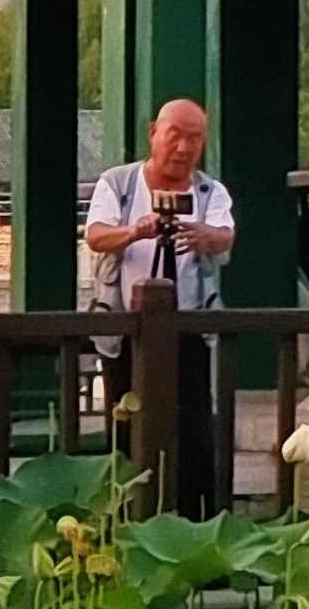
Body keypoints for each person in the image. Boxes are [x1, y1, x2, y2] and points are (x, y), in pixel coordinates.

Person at [85, 96, 237, 513]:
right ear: (154, 133)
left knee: (194, 427)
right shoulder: (118, 184)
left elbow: (227, 236)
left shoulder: (209, 191)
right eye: (175, 136)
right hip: (124, 329)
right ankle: (122, 513)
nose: (184, 148)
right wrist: (136, 231)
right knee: (125, 423)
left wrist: (206, 236)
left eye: (195, 138)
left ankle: (195, 515)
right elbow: (96, 235)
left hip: (189, 327)